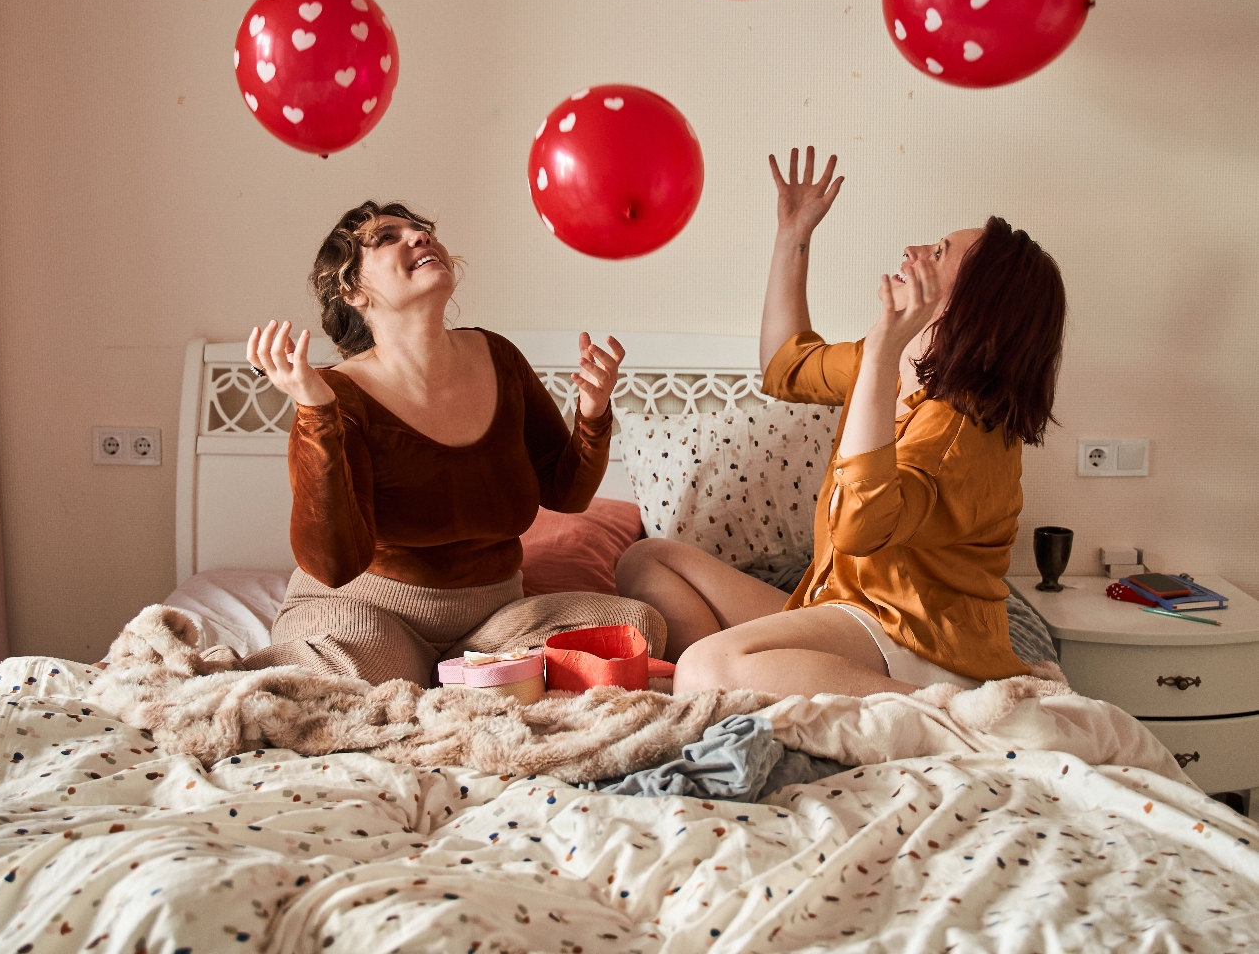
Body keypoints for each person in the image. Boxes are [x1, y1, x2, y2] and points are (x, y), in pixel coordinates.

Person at [617, 148, 1067, 699]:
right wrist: (793, 234)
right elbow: (787, 366)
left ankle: (945, 710)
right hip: (842, 604)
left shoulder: (961, 431)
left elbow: (859, 526)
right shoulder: (895, 365)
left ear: (975, 301)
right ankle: (746, 686)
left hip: (918, 640)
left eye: (939, 251)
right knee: (647, 560)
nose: (913, 250)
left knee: (703, 669)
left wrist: (880, 352)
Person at [238, 200, 665, 687]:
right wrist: (316, 413)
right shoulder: (337, 397)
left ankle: (456, 680)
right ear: (352, 290)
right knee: (368, 675)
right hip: (364, 608)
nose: (420, 237)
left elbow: (566, 495)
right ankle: (448, 682)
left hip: (493, 620)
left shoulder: (499, 357)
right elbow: (333, 566)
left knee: (637, 628)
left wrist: (591, 415)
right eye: (387, 238)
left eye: (421, 230)